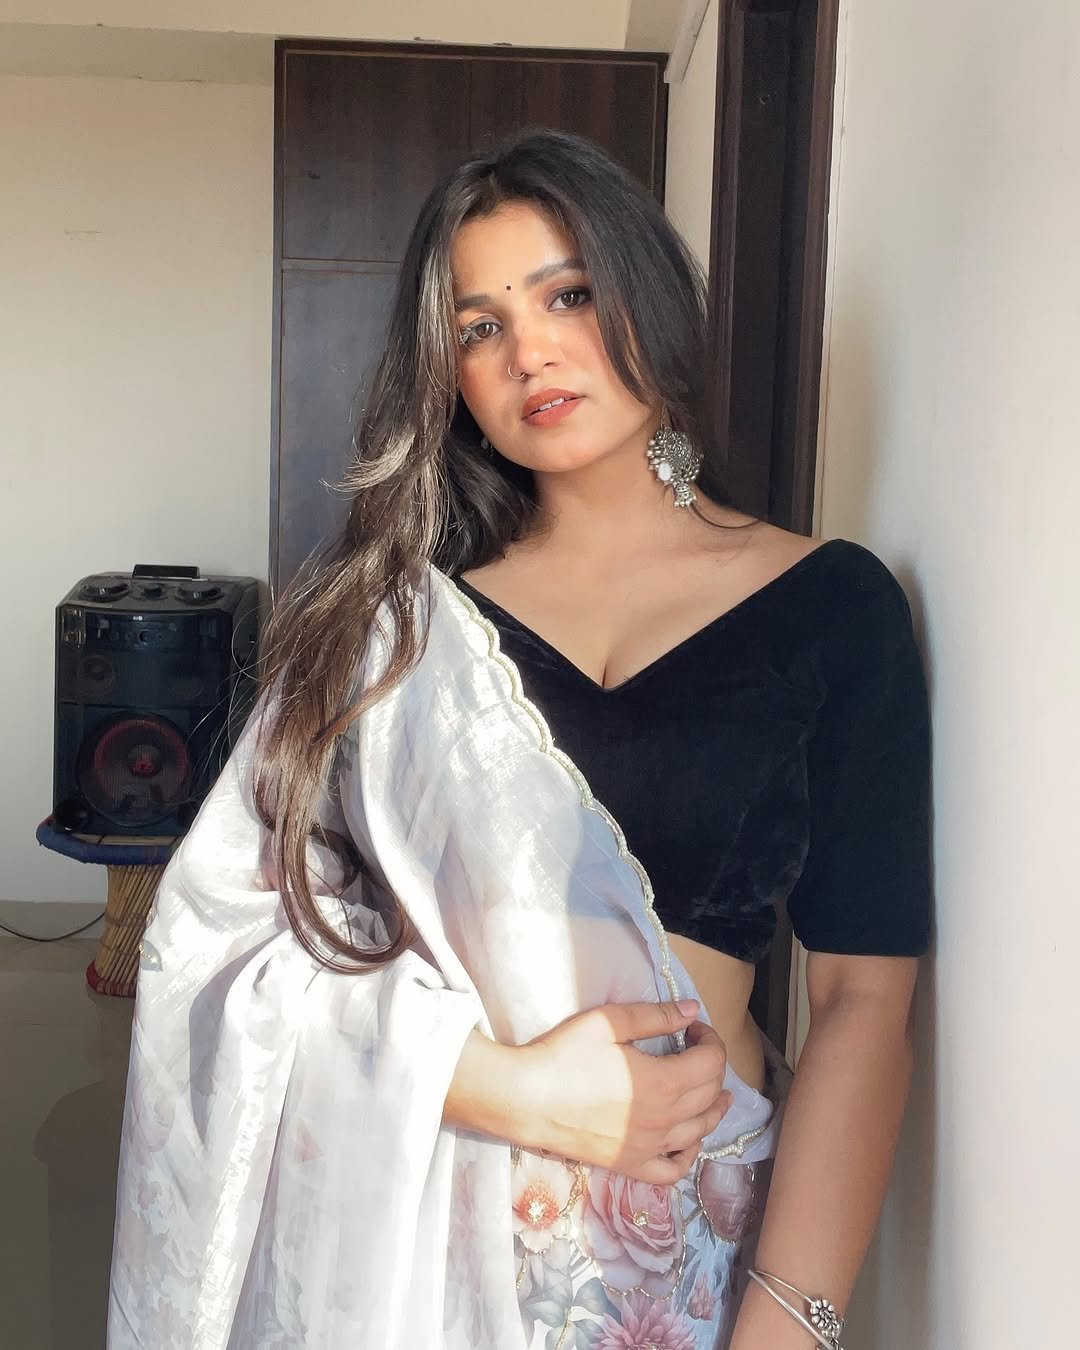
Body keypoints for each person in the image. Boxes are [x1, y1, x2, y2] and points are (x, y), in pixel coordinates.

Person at [109, 130, 931, 1350]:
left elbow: (865, 998)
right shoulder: (397, 628)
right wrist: (511, 1089)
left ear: (649, 293)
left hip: (690, 1251)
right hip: (419, 1244)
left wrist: (789, 1320)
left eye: (569, 295)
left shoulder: (832, 608)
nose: (528, 351)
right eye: (478, 326)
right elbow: (217, 951)